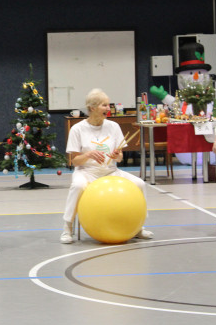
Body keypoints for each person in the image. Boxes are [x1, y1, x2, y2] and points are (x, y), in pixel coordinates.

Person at [60, 88, 154, 244]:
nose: (108, 108)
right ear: (92, 108)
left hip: (111, 171)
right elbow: (74, 161)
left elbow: (120, 156)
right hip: (87, 172)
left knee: (139, 184)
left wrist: (117, 156)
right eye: (104, 105)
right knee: (77, 186)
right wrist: (88, 155)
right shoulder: (77, 129)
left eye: (108, 105)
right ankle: (67, 228)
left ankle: (138, 228)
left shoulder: (113, 126)